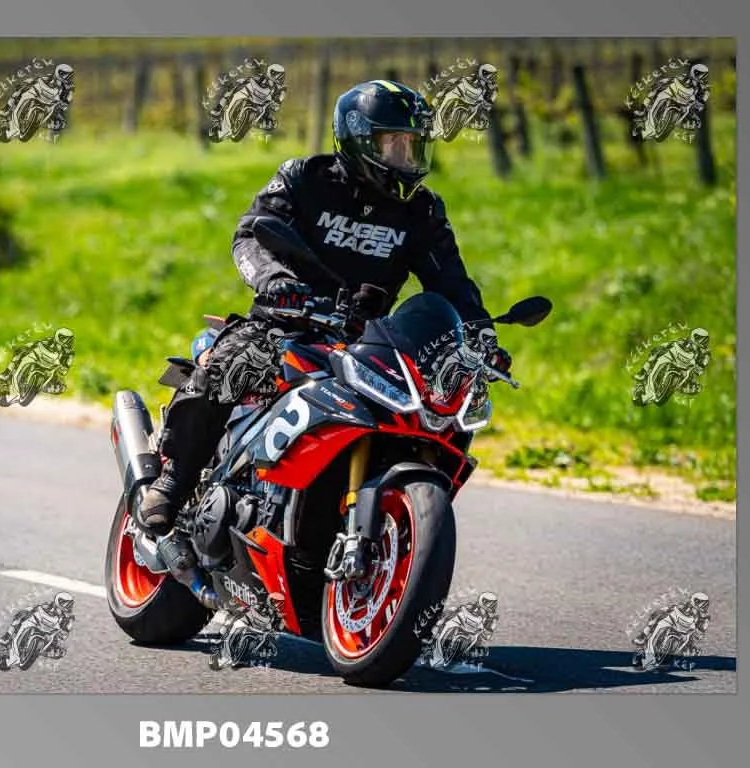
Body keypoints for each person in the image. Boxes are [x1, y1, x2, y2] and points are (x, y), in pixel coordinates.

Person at [136, 79, 512, 537]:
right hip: (287, 322)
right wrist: (275, 282)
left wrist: (481, 338)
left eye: (413, 146)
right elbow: (251, 234)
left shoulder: (422, 211)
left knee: (435, 408)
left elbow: (451, 283)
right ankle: (174, 482)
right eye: (393, 144)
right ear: (358, 140)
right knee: (233, 360)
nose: (406, 157)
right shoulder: (303, 178)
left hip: (366, 340)